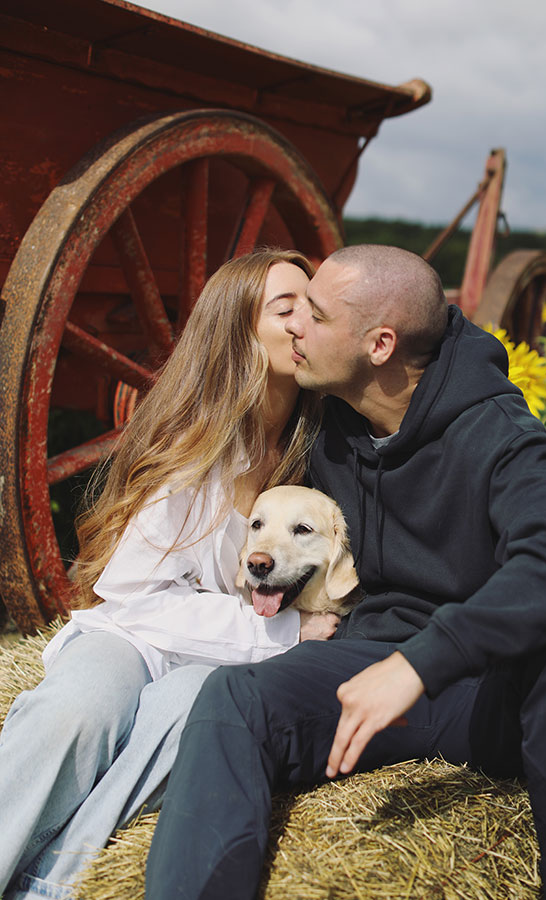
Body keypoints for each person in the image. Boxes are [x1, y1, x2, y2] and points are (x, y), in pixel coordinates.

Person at [145, 244, 546, 900]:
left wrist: (423, 662)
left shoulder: (498, 435)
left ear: (379, 344)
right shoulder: (330, 415)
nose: (296, 323)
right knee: (234, 698)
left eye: (317, 314)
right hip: (368, 671)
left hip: (491, 689)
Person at [0, 248, 340, 900]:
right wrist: (283, 633)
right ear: (239, 329)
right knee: (79, 711)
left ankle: (48, 885)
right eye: (285, 306)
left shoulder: (315, 446)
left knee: (194, 709)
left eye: (313, 308)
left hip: (211, 665)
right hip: (135, 636)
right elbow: (133, 597)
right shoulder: (197, 444)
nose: (304, 322)